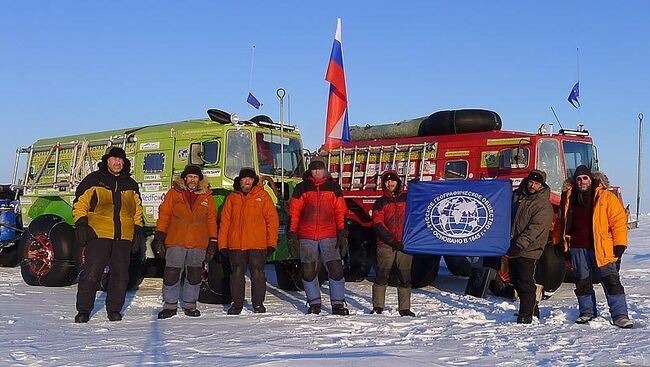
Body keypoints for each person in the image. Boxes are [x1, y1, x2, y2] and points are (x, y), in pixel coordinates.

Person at [553, 165, 633, 328]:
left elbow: (618, 222)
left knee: (611, 280)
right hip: (577, 247)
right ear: (575, 181)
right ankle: (587, 312)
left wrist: (620, 243)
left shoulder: (606, 197)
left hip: (601, 247)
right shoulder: (568, 197)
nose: (582, 181)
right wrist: (558, 243)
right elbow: (560, 223)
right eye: (579, 179)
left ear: (591, 179)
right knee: (582, 281)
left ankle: (620, 315)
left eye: (585, 178)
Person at [73, 147, 143, 323]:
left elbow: (137, 211)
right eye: (114, 159)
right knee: (91, 274)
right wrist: (81, 224)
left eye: (120, 160)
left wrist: (137, 232)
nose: (117, 163)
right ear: (107, 161)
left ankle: (114, 310)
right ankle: (83, 310)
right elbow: (80, 204)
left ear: (124, 162)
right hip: (99, 234)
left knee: (120, 275)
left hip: (124, 236)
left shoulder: (131, 184)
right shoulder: (93, 180)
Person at [152, 165, 217, 319]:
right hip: (176, 241)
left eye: (195, 177)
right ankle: (169, 305)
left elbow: (211, 220)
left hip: (198, 242)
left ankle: (190, 305)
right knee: (171, 274)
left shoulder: (207, 197)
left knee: (194, 275)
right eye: (189, 177)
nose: (192, 180)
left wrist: (213, 241)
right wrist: (159, 236)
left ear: (199, 179)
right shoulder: (174, 194)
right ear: (185, 178)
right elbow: (164, 215)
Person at [288, 156, 349, 315]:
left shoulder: (333, 187)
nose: (317, 171)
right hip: (307, 235)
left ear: (325, 169)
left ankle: (338, 303)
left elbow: (340, 211)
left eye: (319, 168)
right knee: (308, 271)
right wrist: (292, 233)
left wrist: (342, 232)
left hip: (329, 235)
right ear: (310, 170)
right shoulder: (301, 188)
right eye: (314, 168)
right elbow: (294, 213)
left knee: (335, 269)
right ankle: (314, 302)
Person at [218, 167, 278, 315]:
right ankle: (237, 304)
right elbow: (225, 222)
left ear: (254, 181)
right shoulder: (232, 197)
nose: (247, 181)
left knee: (258, 274)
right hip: (236, 244)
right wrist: (222, 245)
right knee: (237, 274)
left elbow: (272, 220)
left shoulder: (263, 196)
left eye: (250, 179)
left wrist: (271, 243)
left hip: (257, 244)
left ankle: (258, 304)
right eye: (244, 179)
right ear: (240, 180)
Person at [508, 169, 553, 324]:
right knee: (515, 278)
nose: (532, 185)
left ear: (542, 185)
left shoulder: (543, 205)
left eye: (536, 183)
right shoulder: (520, 197)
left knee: (525, 280)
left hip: (529, 248)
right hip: (515, 245)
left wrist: (520, 244)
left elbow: (535, 228)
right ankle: (533, 309)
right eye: (530, 182)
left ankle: (526, 314)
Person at [371, 170, 415, 317]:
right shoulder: (380, 202)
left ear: (398, 182)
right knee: (382, 275)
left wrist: (417, 187)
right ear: (384, 183)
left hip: (405, 244)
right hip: (385, 244)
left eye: (393, 181)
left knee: (404, 277)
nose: (390, 184)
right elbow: (377, 224)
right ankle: (378, 306)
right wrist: (391, 241)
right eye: (387, 181)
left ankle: (404, 308)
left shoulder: (408, 198)